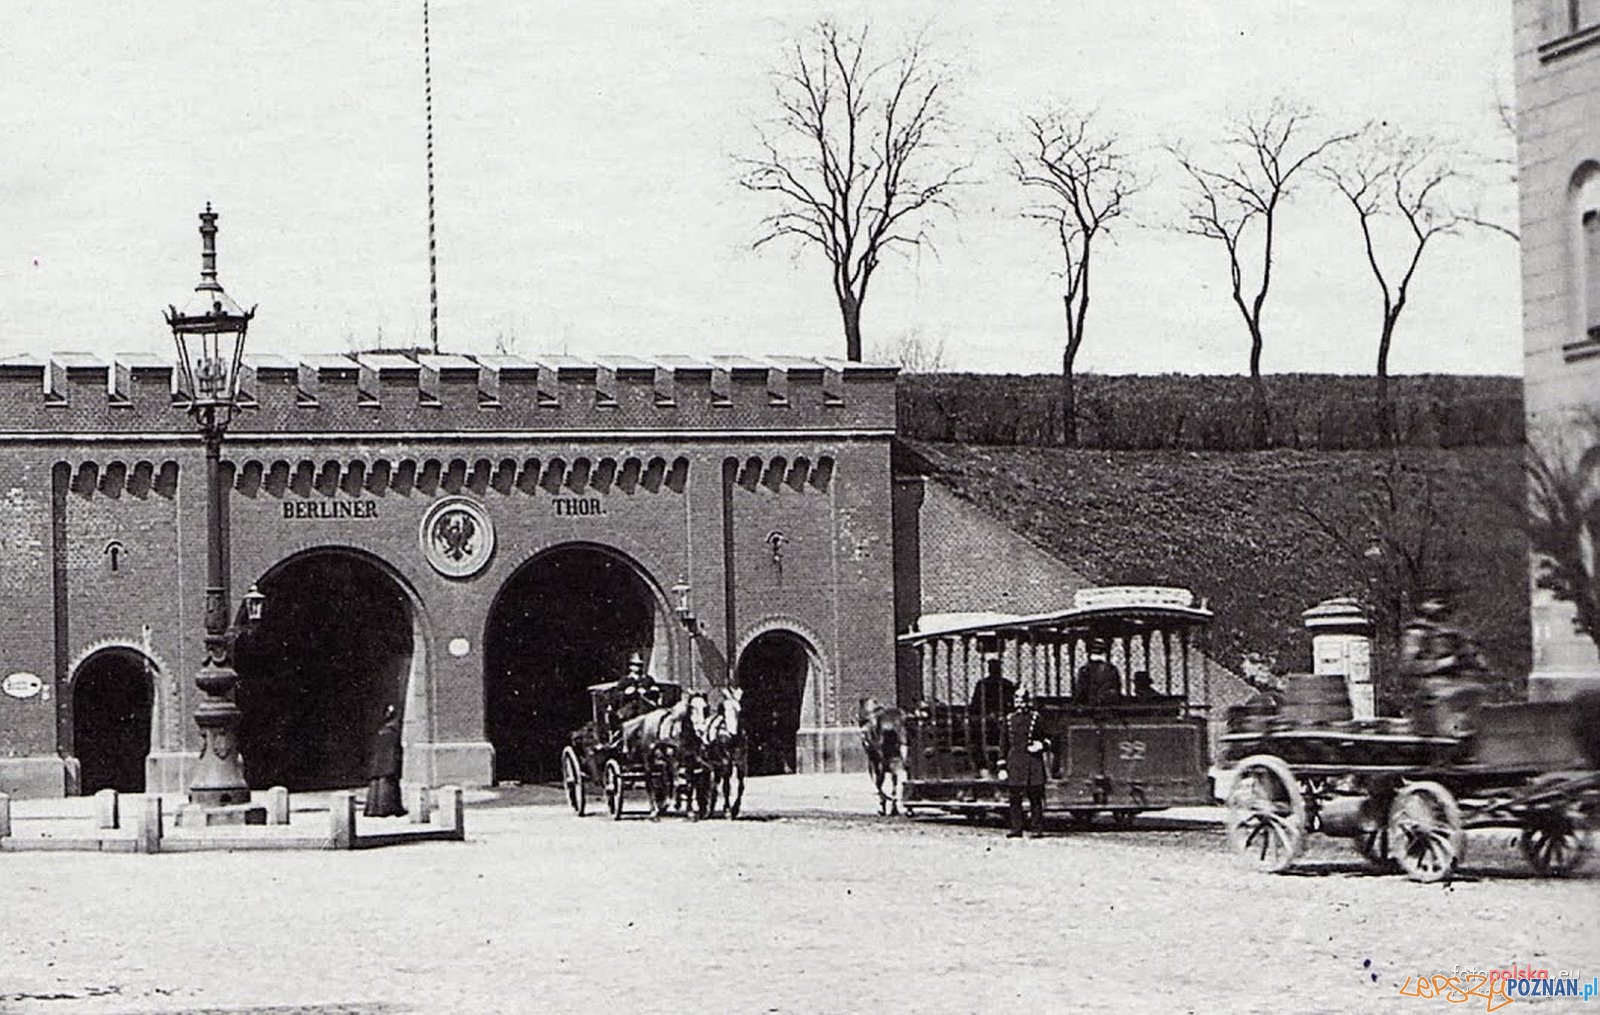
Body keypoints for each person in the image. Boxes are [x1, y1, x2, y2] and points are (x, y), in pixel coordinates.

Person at [999, 686, 1050, 838]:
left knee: (1035, 797)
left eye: (1022, 700)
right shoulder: (1008, 719)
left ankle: (1036, 828)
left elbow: (1048, 737)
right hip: (1015, 761)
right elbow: (1003, 744)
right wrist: (1002, 766)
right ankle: (1016, 828)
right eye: (1017, 699)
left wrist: (1041, 745)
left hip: (1032, 761)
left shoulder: (1036, 718)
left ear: (1028, 701)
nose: (1020, 703)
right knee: (1015, 797)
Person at [364, 704, 406, 818]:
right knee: (386, 784)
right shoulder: (393, 730)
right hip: (387, 762)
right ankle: (386, 808)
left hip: (379, 763)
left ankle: (375, 809)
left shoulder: (382, 730)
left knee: (378, 784)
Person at [614, 652, 662, 724]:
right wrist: (626, 693)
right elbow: (616, 696)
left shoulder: (648, 679)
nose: (638, 667)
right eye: (635, 665)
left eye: (640, 665)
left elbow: (656, 691)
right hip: (630, 710)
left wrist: (646, 691)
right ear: (630, 666)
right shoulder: (625, 681)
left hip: (646, 708)